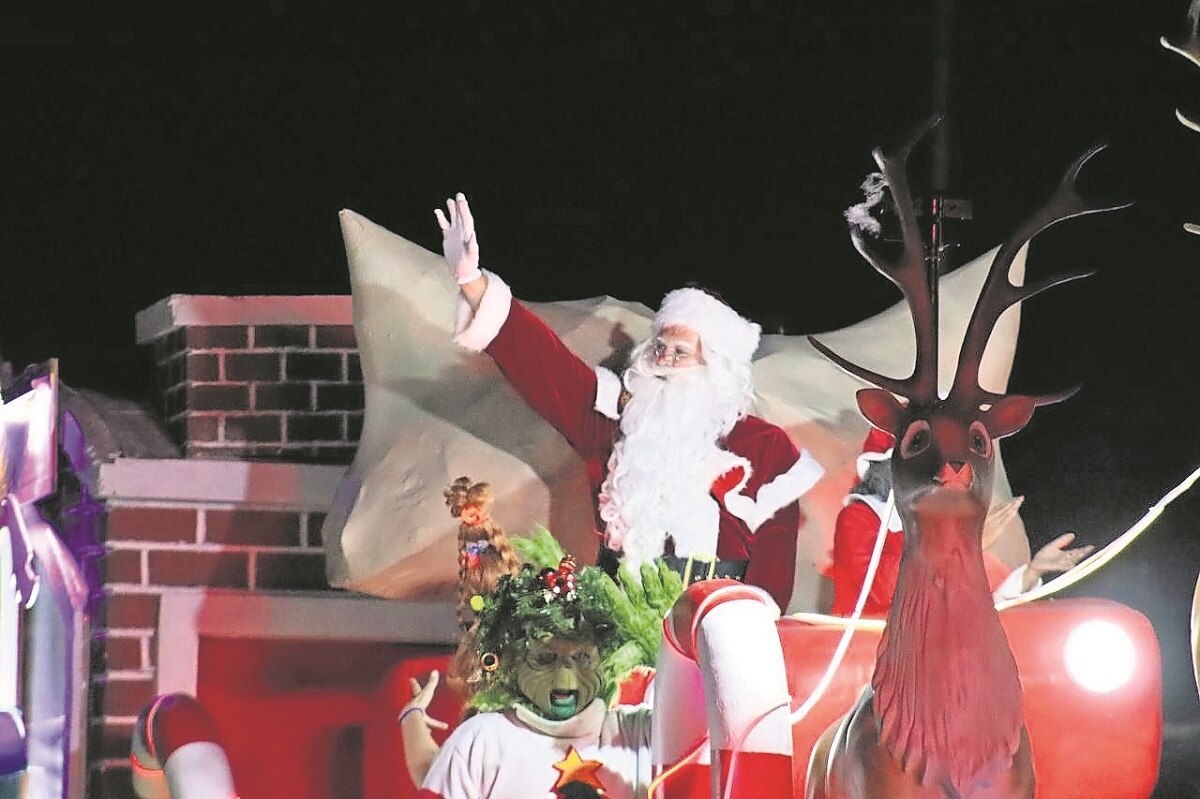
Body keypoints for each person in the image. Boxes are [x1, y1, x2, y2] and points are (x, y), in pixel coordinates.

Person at [435, 193, 823, 611]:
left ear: (717, 367)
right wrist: (473, 282)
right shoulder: (617, 423)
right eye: (661, 347)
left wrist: (752, 634)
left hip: (720, 618)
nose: (666, 362)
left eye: (681, 352)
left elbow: (774, 567)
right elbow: (545, 367)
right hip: (620, 616)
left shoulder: (762, 447)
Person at [405, 547, 680, 799]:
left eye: (583, 658)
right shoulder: (484, 740)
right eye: (545, 659)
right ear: (512, 661)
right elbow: (431, 770)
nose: (565, 674)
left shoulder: (639, 733)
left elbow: (715, 707)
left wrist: (677, 641)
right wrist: (411, 718)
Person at [828, 428, 1095, 617]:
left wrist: (1033, 572)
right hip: (871, 659)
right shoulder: (859, 518)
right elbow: (883, 590)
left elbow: (985, 599)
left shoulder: (944, 526)